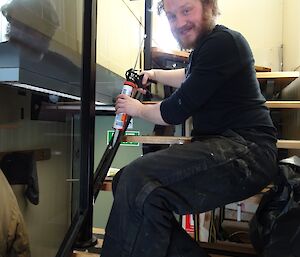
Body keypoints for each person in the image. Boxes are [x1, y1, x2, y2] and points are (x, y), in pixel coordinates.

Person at [101, 0, 278, 256]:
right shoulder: (206, 49)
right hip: (228, 148)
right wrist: (152, 73)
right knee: (125, 183)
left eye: (187, 10)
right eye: (172, 16)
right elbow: (188, 75)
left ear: (209, 6)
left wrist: (136, 109)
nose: (179, 23)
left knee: (136, 179)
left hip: (249, 151)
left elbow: (175, 111)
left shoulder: (224, 42)